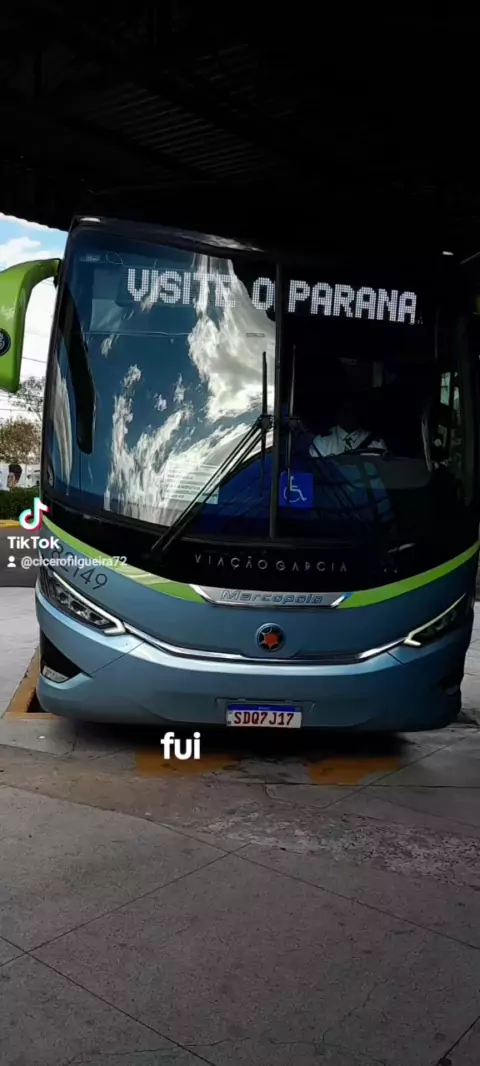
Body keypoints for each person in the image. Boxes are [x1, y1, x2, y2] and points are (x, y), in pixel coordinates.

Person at [309, 395, 386, 459]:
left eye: (353, 411)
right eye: (345, 412)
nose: (350, 416)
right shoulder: (322, 442)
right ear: (337, 414)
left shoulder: (376, 442)